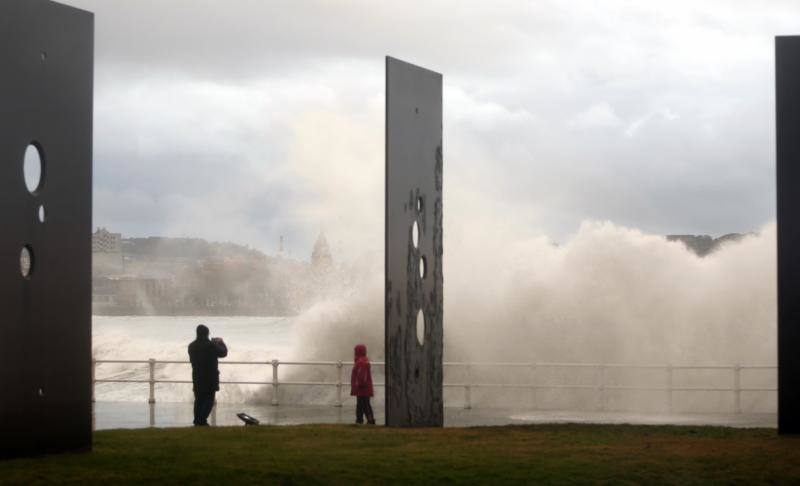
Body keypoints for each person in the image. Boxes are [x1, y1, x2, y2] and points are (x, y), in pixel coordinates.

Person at [188, 324, 228, 426]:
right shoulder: (210, 345)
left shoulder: (191, 346)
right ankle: (202, 421)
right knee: (209, 400)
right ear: (207, 333)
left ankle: (197, 420)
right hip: (210, 377)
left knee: (198, 400)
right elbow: (223, 353)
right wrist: (220, 342)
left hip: (197, 376)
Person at [350, 343, 375, 425]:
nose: (354, 352)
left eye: (355, 351)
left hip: (363, 388)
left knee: (365, 405)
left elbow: (362, 376)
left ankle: (370, 420)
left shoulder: (361, 362)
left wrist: (359, 384)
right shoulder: (363, 361)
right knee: (361, 405)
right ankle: (359, 420)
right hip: (363, 387)